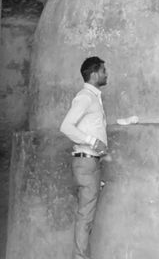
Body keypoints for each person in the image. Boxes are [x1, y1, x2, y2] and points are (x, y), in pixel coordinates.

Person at [58, 56, 109, 259]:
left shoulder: (93, 97)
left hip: (90, 162)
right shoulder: (85, 97)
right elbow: (65, 126)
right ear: (94, 74)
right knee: (85, 218)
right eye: (103, 71)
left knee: (86, 217)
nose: (106, 74)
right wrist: (93, 142)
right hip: (86, 161)